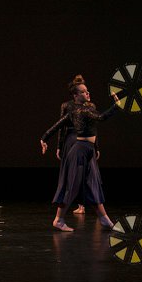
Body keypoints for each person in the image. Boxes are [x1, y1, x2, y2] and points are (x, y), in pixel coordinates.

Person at [40, 80, 119, 230]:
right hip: (79, 151)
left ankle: (104, 219)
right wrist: (116, 105)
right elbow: (101, 118)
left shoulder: (87, 108)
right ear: (75, 96)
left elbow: (57, 126)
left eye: (87, 90)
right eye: (83, 91)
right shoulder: (81, 110)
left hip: (88, 150)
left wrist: (44, 138)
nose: (87, 93)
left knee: (92, 183)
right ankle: (58, 220)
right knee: (73, 186)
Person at [55, 75, 86, 214]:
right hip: (76, 139)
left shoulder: (87, 105)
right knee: (80, 171)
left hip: (75, 139)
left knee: (77, 172)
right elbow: (61, 126)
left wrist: (59, 146)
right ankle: (80, 205)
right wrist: (59, 146)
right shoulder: (67, 105)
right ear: (75, 93)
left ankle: (79, 205)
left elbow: (61, 127)